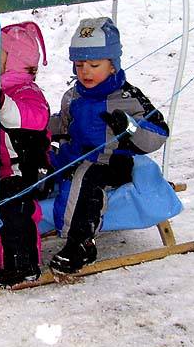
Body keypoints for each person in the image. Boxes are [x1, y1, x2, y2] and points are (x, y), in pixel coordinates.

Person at [48, 17, 170, 274]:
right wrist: (37, 128)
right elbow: (63, 125)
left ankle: (80, 244)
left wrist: (129, 127)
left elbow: (158, 133)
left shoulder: (128, 97)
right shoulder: (74, 95)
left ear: (113, 65)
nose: (85, 72)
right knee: (42, 164)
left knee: (87, 177)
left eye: (94, 65)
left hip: (113, 162)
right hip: (75, 156)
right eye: (79, 65)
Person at [0, 21, 51, 286]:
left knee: (14, 205)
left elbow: (33, 118)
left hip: (26, 172)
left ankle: (22, 264)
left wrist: (3, 103)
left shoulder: (28, 93)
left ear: (16, 61)